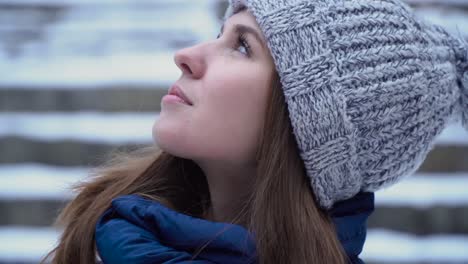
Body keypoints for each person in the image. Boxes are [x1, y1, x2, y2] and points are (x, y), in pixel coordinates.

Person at [43, 0, 467, 263]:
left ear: (313, 122)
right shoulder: (100, 237)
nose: (186, 56)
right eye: (219, 34)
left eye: (242, 46)